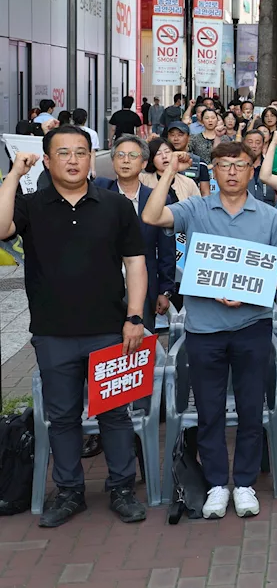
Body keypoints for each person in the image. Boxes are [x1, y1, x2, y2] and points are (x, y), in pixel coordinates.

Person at [0, 128, 149, 527]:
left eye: (81, 152)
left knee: (115, 414)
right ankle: (69, 493)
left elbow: (135, 261)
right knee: (62, 417)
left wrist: (135, 316)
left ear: (91, 159)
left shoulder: (116, 205)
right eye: (62, 153)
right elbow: (1, 230)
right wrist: (13, 175)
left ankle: (121, 488)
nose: (72, 159)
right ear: (47, 161)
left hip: (109, 329)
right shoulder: (31, 206)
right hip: (53, 332)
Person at [141, 141, 277, 519]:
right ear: (215, 169)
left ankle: (243, 483)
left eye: (239, 165)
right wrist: (171, 170)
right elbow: (151, 215)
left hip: (252, 325)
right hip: (204, 328)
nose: (231, 172)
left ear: (251, 169)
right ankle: (214, 485)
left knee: (249, 408)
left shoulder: (271, 217)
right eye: (223, 165)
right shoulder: (195, 208)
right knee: (208, 411)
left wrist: (248, 291)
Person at [103, 136, 177, 332]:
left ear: (144, 162)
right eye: (120, 155)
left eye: (133, 155)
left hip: (145, 287)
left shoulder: (157, 198)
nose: (126, 160)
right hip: (103, 288)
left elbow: (166, 248)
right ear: (113, 161)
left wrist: (165, 290)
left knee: (141, 347)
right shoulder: (99, 193)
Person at [162, 124, 212, 197]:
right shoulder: (162, 161)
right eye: (172, 135)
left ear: (188, 137)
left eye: (180, 135)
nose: (176, 138)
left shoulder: (199, 163)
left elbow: (205, 193)